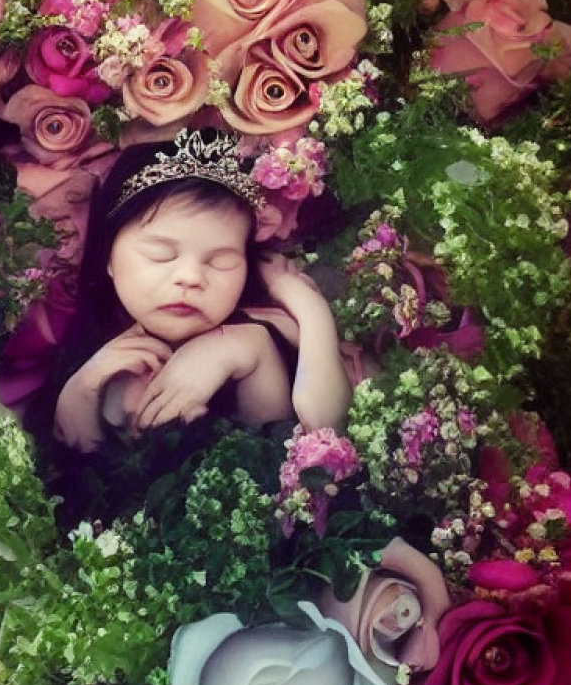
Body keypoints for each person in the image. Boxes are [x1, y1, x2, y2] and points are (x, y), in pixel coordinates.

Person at [27, 129, 352, 456]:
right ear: (108, 255)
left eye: (222, 261)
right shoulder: (82, 353)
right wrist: (81, 392)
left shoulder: (263, 329)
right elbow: (73, 490)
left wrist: (301, 309)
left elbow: (324, 429)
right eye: (161, 255)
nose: (190, 277)